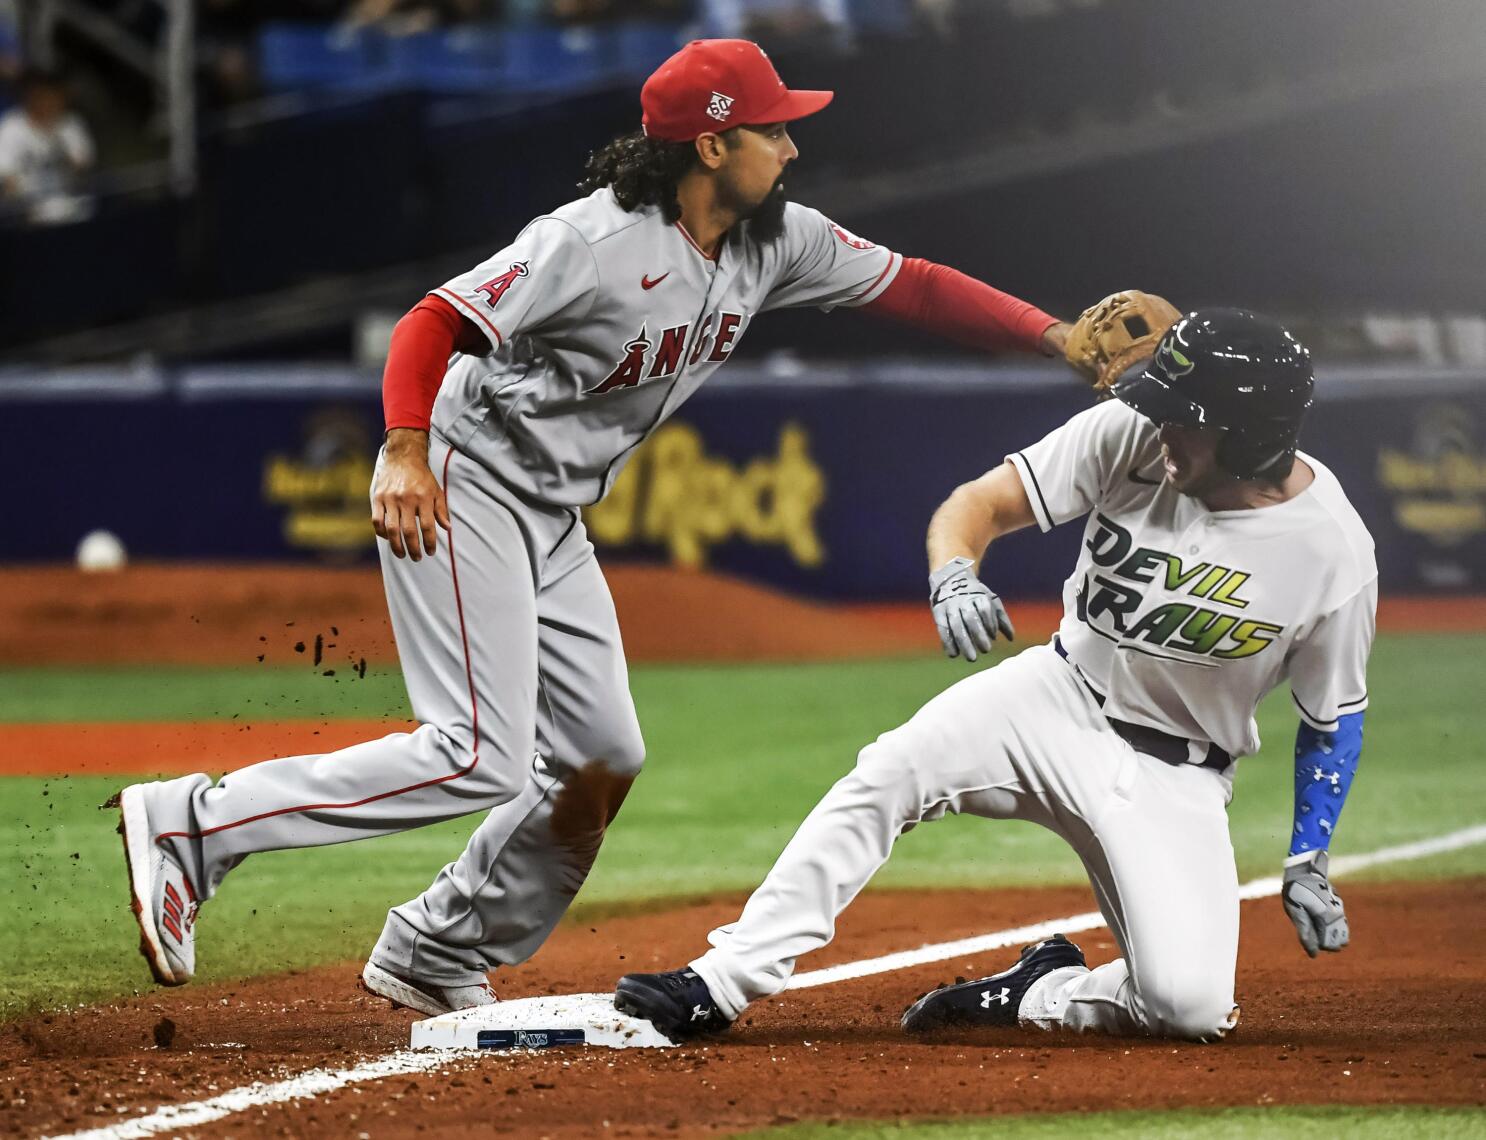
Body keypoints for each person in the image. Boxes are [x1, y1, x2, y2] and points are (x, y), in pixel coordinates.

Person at [115, 38, 1101, 1016]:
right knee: (476, 752)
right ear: (711, 147)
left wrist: (1052, 336)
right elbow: (430, 322)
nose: (791, 149)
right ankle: (195, 827)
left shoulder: (774, 240)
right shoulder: (587, 242)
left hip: (551, 513)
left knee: (600, 759)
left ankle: (437, 945)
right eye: (772, 130)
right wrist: (405, 448)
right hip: (468, 478)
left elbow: (913, 284)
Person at [616, 309, 1375, 1043]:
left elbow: (1332, 719)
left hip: (1176, 775)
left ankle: (1041, 989)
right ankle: (723, 980)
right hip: (1055, 696)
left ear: (1248, 435)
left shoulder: (1331, 553)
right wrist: (954, 573)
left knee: (1188, 1008)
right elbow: (980, 504)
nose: (1161, 423)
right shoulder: (1132, 436)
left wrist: (1308, 856)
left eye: (1185, 415)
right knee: (891, 770)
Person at [0, 68, 95, 225]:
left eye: (54, 95)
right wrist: (25, 210)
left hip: (73, 212)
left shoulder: (70, 125)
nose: (49, 101)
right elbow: (7, 178)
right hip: (29, 217)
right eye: (43, 96)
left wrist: (54, 137)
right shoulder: (11, 127)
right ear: (32, 96)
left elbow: (82, 167)